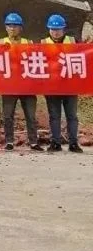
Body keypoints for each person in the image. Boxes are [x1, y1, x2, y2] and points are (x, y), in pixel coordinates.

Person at [0, 12, 43, 152]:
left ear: (21, 28)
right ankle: (9, 141)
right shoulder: (0, 42)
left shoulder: (28, 43)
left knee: (30, 115)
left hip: (27, 86)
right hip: (9, 86)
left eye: (15, 26)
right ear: (6, 27)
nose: (12, 28)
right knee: (8, 115)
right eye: (10, 26)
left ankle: (33, 142)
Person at [42, 14, 82, 153]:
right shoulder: (42, 43)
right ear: (49, 29)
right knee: (54, 116)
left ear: (64, 29)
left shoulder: (73, 41)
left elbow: (84, 58)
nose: (55, 32)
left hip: (70, 85)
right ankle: (55, 142)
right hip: (52, 86)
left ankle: (73, 143)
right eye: (53, 29)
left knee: (72, 116)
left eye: (58, 29)